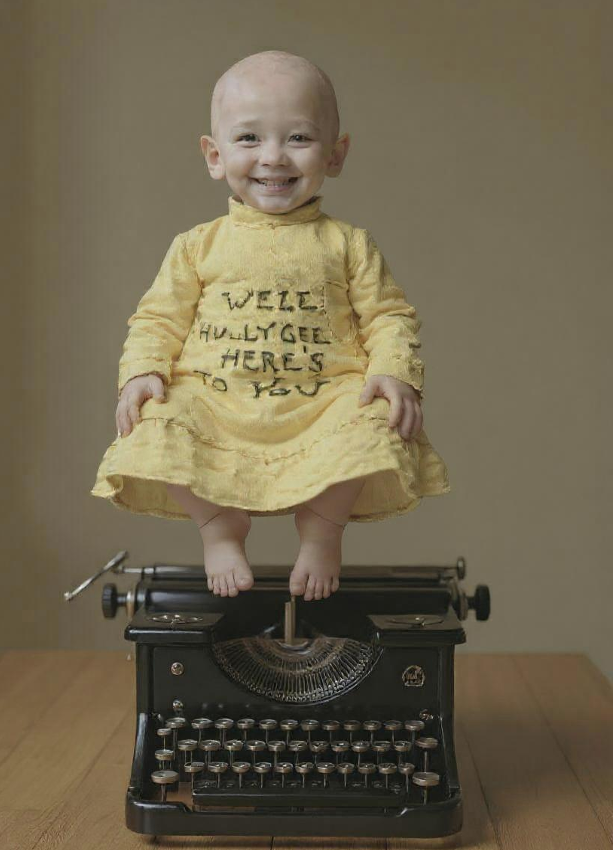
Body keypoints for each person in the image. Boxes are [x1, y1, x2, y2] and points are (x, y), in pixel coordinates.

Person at [91, 50, 450, 603]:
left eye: (299, 138)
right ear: (215, 156)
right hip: (218, 401)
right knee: (156, 417)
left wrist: (394, 372)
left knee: (372, 416)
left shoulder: (348, 244)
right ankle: (219, 526)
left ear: (336, 154)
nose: (274, 157)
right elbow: (158, 318)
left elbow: (388, 316)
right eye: (249, 138)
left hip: (322, 400)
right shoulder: (197, 246)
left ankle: (323, 529)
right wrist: (141, 372)